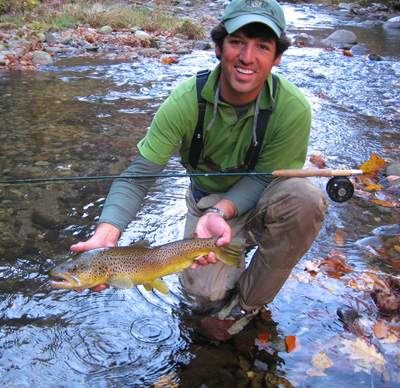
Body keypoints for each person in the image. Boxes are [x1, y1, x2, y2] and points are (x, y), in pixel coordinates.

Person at [71, 0, 329, 333]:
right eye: (237, 42)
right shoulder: (186, 101)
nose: (247, 57)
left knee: (306, 198)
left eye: (262, 46)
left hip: (266, 196)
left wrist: (223, 211)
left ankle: (247, 305)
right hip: (206, 204)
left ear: (277, 56)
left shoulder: (293, 108)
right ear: (219, 47)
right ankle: (228, 278)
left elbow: (265, 177)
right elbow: (137, 178)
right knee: (202, 300)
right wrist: (106, 234)